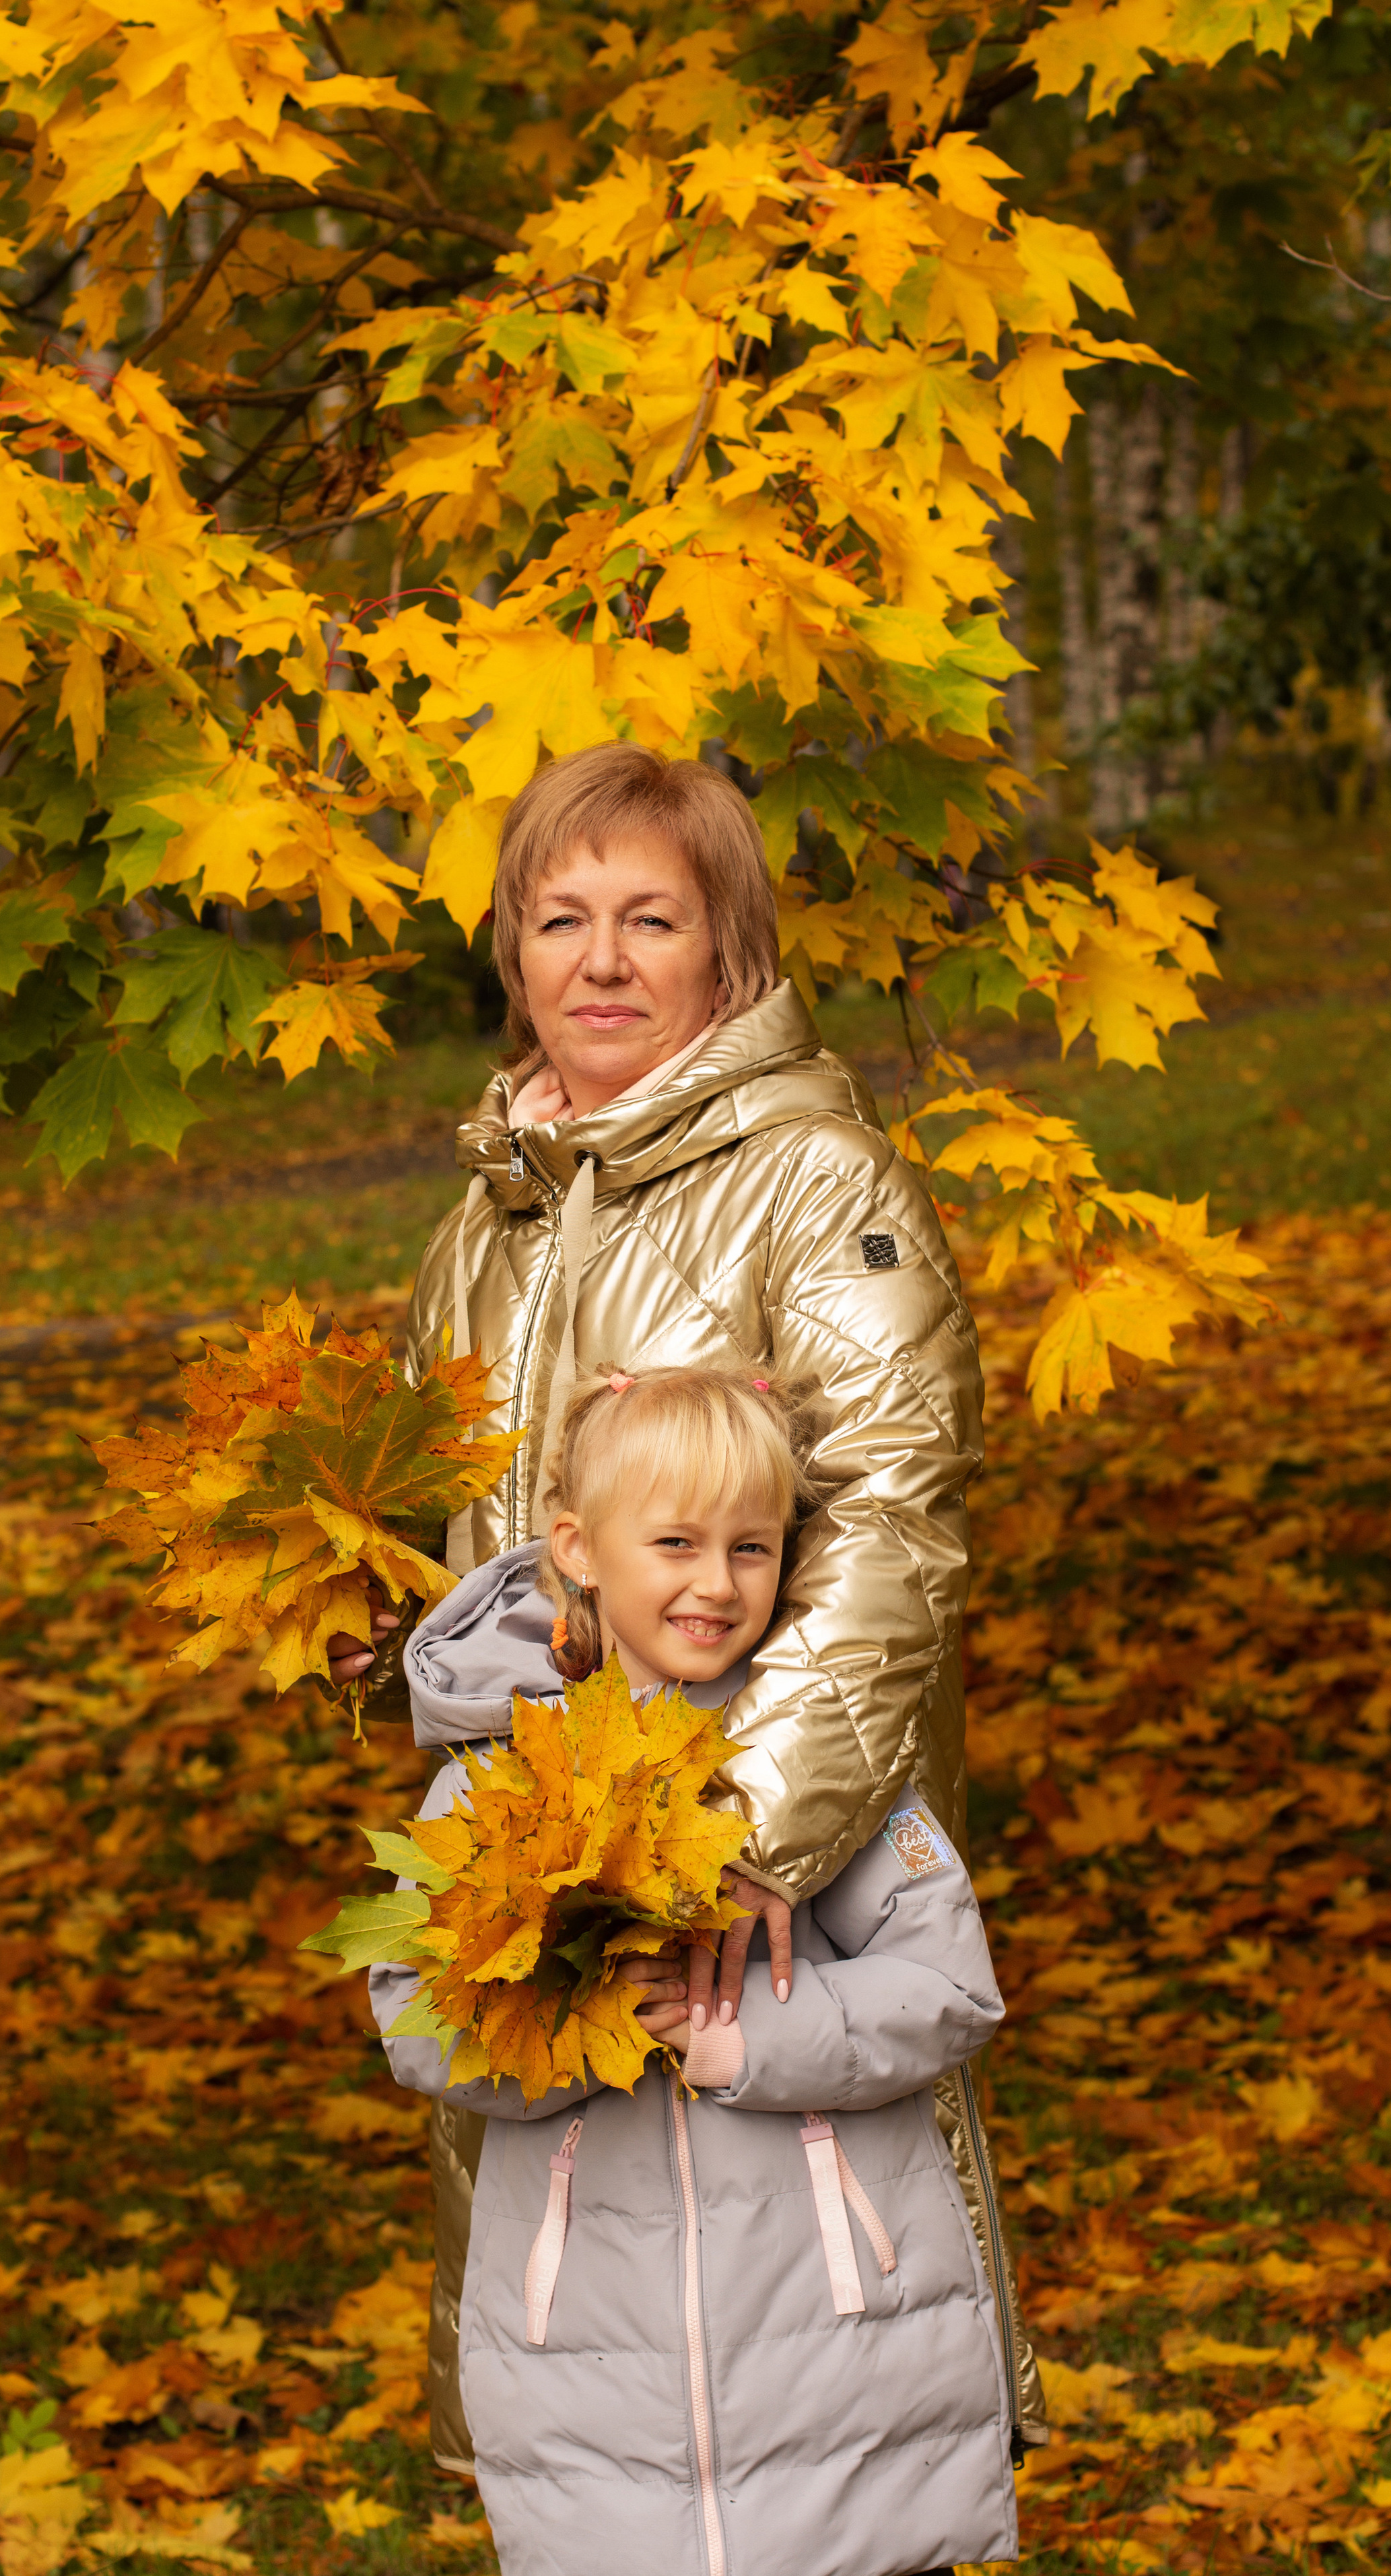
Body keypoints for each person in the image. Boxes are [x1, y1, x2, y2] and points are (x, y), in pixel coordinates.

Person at [327, 739, 1046, 2464]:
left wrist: (738, 1831)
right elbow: (489, 1562)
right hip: (547, 1894)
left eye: (649, 918)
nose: (599, 961)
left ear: (728, 948)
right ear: (509, 951)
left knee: (816, 2375)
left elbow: (889, 1526)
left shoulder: (818, 1186)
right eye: (557, 918)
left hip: (765, 1895)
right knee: (593, 2389)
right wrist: (386, 1659)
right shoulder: (479, 1225)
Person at [373, 1368, 1018, 2576]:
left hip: (841, 2357)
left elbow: (948, 1986)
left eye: (752, 1548)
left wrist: (752, 2042)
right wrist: (577, 2020)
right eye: (673, 1542)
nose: (716, 1584)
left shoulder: (815, 1770)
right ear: (578, 1546)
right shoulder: (495, 1780)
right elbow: (418, 2021)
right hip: (592, 2372)